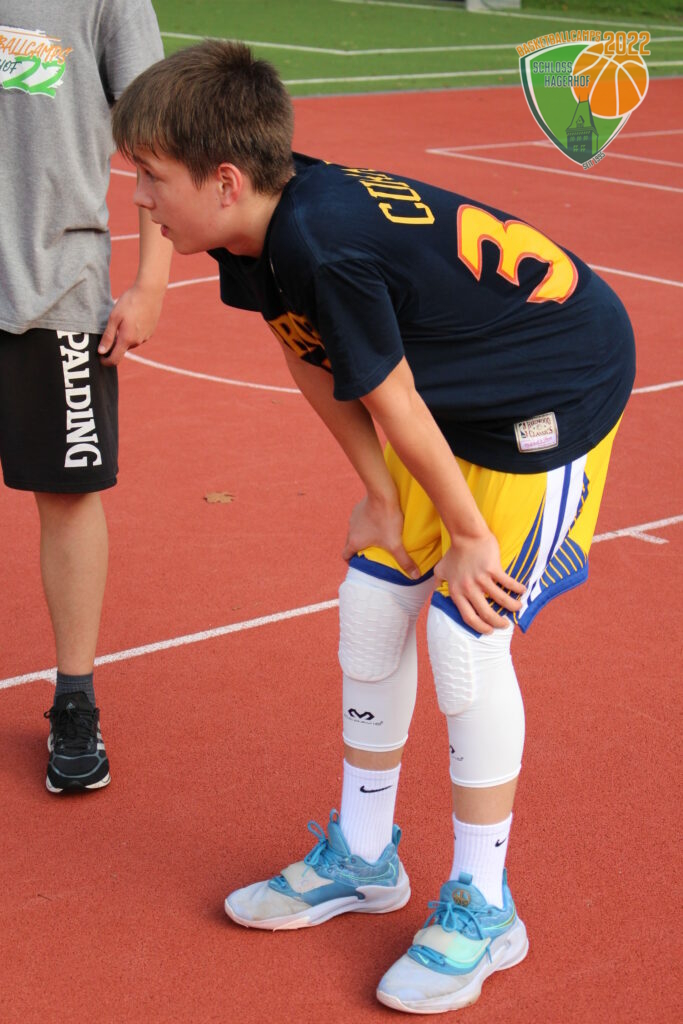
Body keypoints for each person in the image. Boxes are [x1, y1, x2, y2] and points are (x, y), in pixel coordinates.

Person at [111, 41, 635, 1014]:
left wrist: (468, 537)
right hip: (457, 392)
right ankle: (361, 856)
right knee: (371, 597)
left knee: (465, 636)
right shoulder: (255, 230)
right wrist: (380, 495)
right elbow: (306, 352)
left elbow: (388, 392)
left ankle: (484, 903)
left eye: (149, 177)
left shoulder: (321, 243)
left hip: (550, 390)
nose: (137, 199)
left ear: (223, 181)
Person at [0, 1, 172, 794]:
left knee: (67, 496)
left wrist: (151, 282)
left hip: (55, 289)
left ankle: (75, 701)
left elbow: (161, 136)